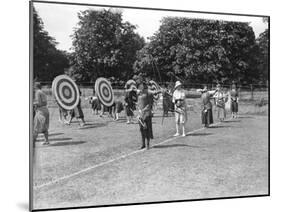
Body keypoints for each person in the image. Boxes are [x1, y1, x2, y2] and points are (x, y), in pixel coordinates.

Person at [137, 81, 162, 150]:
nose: (140, 87)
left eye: (141, 85)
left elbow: (154, 92)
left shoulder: (148, 91)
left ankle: (147, 144)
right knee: (142, 129)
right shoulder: (139, 93)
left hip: (147, 113)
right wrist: (139, 110)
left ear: (144, 86)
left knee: (147, 129)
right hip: (140, 114)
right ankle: (143, 144)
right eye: (139, 86)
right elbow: (139, 103)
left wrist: (161, 91)